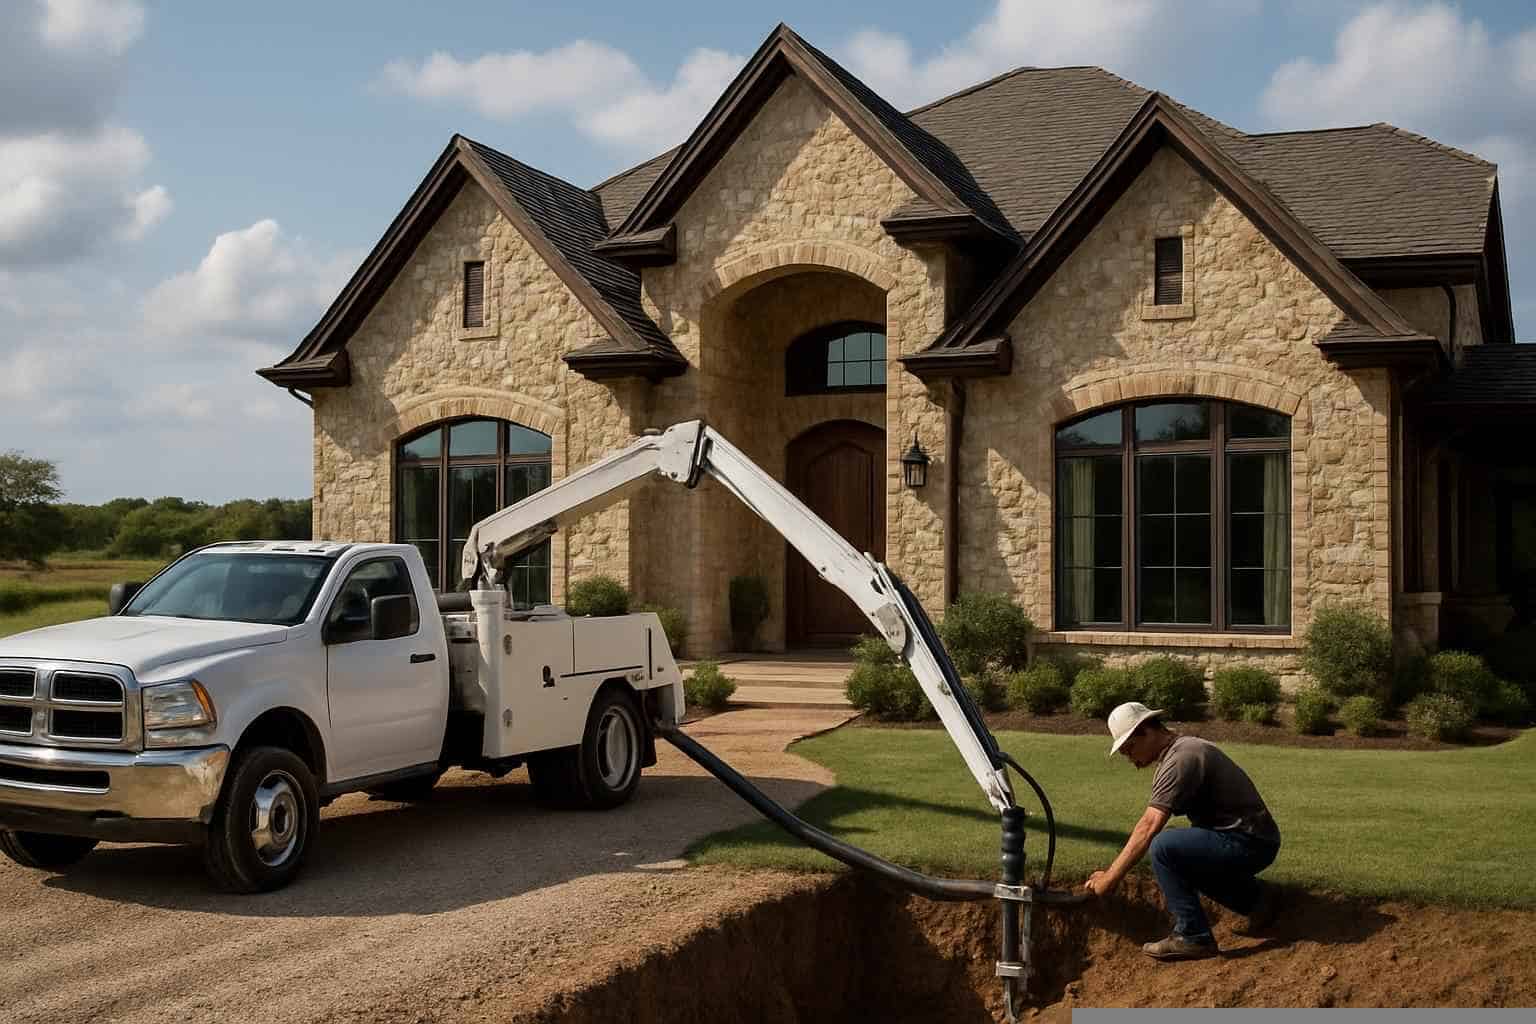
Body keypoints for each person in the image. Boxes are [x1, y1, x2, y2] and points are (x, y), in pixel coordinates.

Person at [1083, 701, 1282, 961]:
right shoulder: (1181, 750)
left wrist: (1110, 879)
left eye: (1129, 749)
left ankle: (1193, 935)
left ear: (1147, 730)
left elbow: (1149, 826)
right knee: (1182, 854)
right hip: (1253, 838)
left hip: (1248, 841)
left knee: (1165, 847)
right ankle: (1257, 902)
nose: (1130, 759)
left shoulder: (1181, 758)